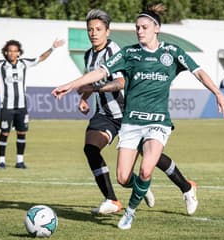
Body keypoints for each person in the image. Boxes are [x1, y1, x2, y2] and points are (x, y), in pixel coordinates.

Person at [52, 3, 224, 230]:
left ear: (156, 28)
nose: (139, 31)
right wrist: (71, 87)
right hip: (130, 121)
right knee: (124, 177)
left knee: (147, 166)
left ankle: (131, 211)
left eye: (144, 27)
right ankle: (167, 187)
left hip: (156, 121)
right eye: (137, 27)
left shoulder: (172, 52)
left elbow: (198, 72)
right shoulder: (129, 53)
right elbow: (99, 73)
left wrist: (218, 93)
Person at [78, 9, 198, 216]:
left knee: (152, 157)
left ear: (107, 31)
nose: (93, 33)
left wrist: (94, 89)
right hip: (105, 113)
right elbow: (92, 80)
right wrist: (84, 98)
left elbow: (121, 82)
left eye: (98, 29)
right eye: (90, 29)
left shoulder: (115, 50)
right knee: (90, 148)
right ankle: (113, 199)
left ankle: (187, 187)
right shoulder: (89, 54)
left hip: (128, 112)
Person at [0, 30, 65, 169]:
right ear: (6, 52)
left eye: (15, 51)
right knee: (5, 133)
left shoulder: (24, 63)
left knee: (22, 132)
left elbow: (41, 58)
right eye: (10, 51)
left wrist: (53, 47)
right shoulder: (0, 65)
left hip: (21, 106)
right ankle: (2, 161)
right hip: (7, 106)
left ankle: (20, 161)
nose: (12, 53)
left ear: (19, 53)